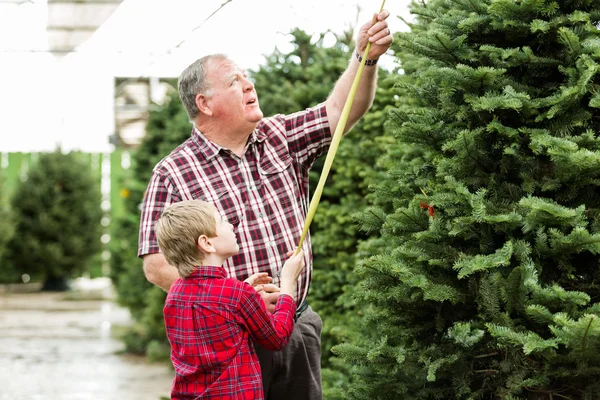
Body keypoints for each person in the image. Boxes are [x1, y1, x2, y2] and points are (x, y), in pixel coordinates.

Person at [138, 9, 393, 400]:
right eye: (234, 80)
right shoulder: (173, 172)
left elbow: (341, 111)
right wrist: (235, 299)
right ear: (204, 103)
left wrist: (365, 58)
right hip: (232, 340)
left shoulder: (279, 136)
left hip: (297, 325)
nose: (248, 84)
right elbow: (157, 264)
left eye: (246, 76)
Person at [155, 199, 305, 399]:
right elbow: (277, 338)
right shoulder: (237, 294)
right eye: (222, 221)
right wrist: (288, 284)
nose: (231, 225)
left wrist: (245, 290)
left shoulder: (176, 292)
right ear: (206, 243)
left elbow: (214, 315)